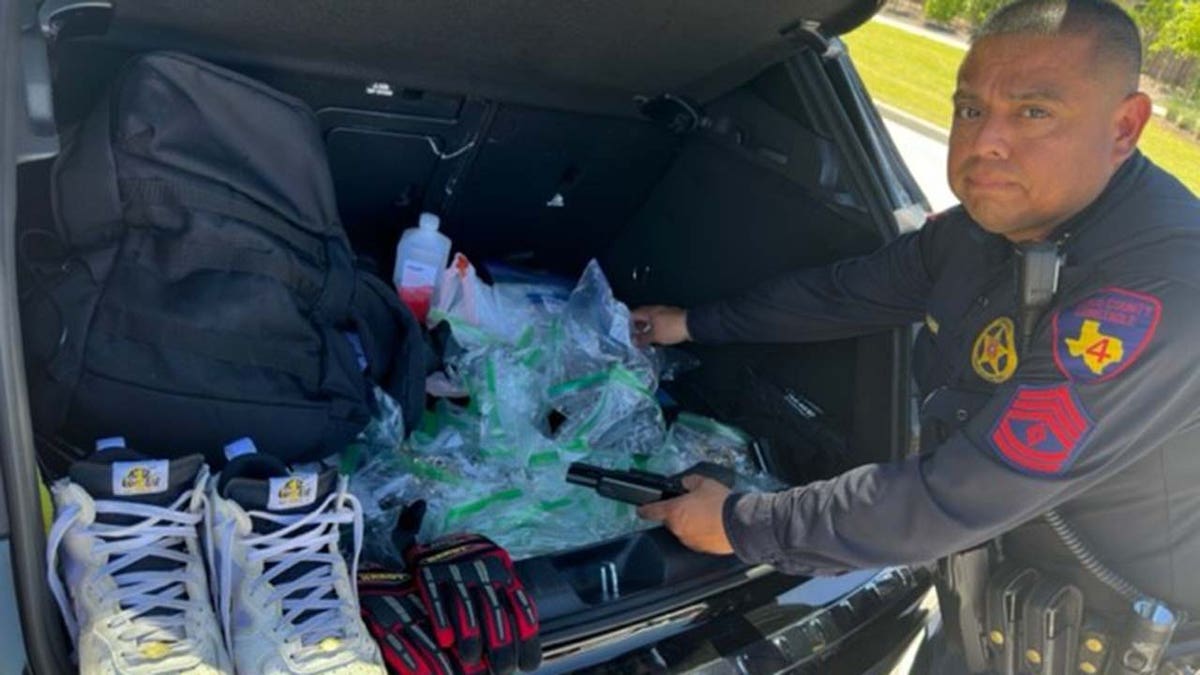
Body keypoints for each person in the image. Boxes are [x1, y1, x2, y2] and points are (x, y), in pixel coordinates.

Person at [634, 0, 1200, 669]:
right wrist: (692, 323)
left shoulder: (1155, 295)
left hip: (1117, 649)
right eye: (969, 110)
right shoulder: (984, 229)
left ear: (1124, 127)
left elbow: (960, 492)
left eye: (1034, 112)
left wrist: (741, 524)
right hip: (990, 610)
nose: (986, 141)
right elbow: (843, 293)